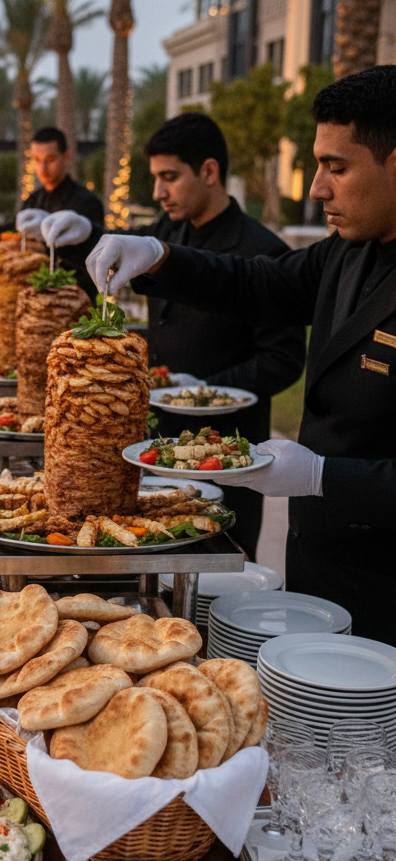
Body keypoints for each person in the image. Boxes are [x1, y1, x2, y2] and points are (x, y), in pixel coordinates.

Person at [85, 66, 396, 644]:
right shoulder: (348, 251)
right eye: (319, 165)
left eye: (338, 167)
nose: (317, 189)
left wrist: (326, 476)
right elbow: (258, 284)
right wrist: (158, 255)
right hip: (320, 566)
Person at [42, 112, 305, 558]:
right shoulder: (167, 232)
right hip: (155, 444)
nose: (159, 192)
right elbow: (110, 252)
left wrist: (205, 391)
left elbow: (284, 358)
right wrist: (81, 235)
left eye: (170, 177)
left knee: (217, 567)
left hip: (224, 452)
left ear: (209, 171)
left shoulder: (263, 251)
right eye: (155, 179)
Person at [0, 127, 104, 298]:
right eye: (37, 160)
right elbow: (12, 234)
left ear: (66, 157)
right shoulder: (33, 200)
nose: (42, 167)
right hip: (35, 298)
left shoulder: (87, 203)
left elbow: (94, 256)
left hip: (75, 299)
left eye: (49, 160)